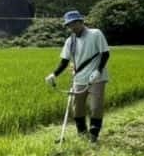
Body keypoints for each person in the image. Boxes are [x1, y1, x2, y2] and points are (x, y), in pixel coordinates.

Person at [45, 10, 111, 142]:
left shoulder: (95, 34)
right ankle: (82, 133)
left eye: (74, 23)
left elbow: (105, 53)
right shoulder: (70, 41)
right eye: (69, 25)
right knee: (77, 108)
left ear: (81, 22)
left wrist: (98, 71)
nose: (72, 27)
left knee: (96, 106)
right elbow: (64, 61)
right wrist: (54, 74)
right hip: (79, 78)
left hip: (97, 78)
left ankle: (93, 135)